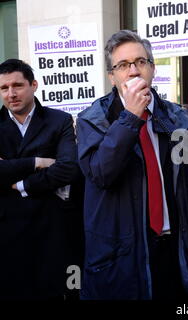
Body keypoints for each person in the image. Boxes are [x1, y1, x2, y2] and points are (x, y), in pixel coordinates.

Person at [76, 30, 188, 300]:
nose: (134, 71)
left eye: (140, 62)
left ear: (152, 68)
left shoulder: (178, 118)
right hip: (124, 254)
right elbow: (102, 173)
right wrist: (130, 118)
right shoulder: (92, 119)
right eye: (123, 65)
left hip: (173, 248)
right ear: (112, 76)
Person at [0, 59, 79, 299]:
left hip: (50, 229)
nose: (11, 94)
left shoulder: (60, 120)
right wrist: (36, 162)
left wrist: (21, 183)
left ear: (34, 85)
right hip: (6, 233)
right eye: (4, 88)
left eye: (18, 85)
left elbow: (68, 169)